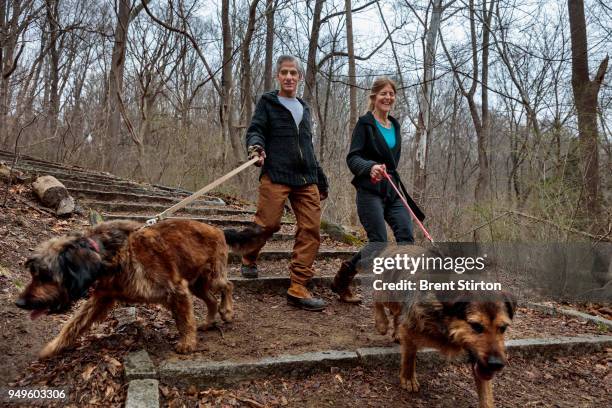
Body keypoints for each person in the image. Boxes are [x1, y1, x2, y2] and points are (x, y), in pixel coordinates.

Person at [243, 55, 329, 311]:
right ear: (278, 77)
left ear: (299, 77)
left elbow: (307, 147)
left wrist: (321, 178)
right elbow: (255, 129)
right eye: (285, 73)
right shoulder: (268, 102)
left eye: (294, 73)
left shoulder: (305, 108)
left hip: (305, 178)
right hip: (276, 173)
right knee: (268, 223)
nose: (289, 77)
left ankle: (299, 285)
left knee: (311, 229)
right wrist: (256, 148)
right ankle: (249, 254)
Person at [331, 77, 425, 303]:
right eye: (383, 93)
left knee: (406, 239)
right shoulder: (365, 124)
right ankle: (342, 280)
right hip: (369, 189)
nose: (388, 97)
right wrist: (370, 167)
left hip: (393, 190)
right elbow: (353, 157)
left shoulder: (396, 125)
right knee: (378, 244)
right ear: (374, 96)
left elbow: (393, 162)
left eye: (391, 94)